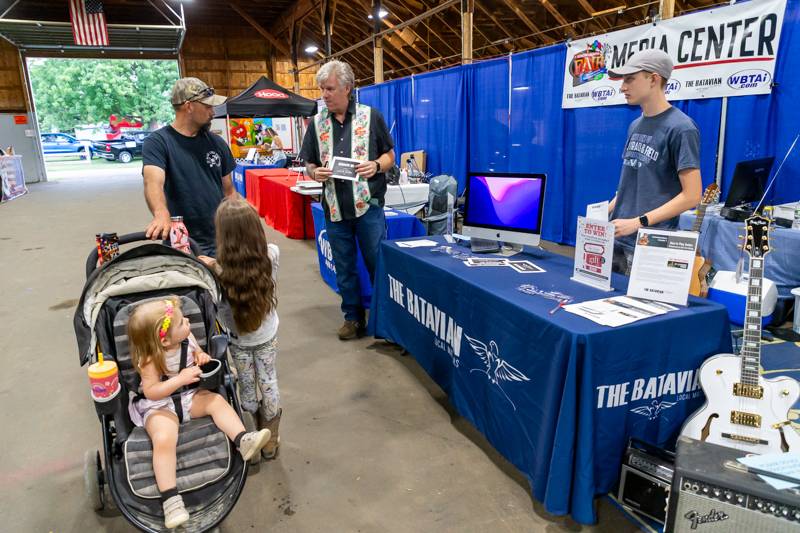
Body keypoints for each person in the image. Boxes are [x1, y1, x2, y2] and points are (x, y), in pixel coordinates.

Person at [127, 297, 270, 529]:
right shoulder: (149, 359)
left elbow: (198, 353)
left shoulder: (187, 338)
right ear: (163, 340)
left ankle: (243, 440)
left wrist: (201, 356)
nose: (188, 322)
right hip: (159, 406)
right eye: (182, 323)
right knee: (164, 438)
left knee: (216, 401)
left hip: (188, 397)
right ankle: (171, 501)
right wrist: (180, 379)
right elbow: (152, 391)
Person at [299, 60, 396, 340]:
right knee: (344, 267)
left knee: (377, 263)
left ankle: (385, 320)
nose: (324, 95)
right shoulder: (317, 125)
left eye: (329, 89)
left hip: (368, 208)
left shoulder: (371, 116)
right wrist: (315, 171)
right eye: (321, 89)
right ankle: (353, 318)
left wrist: (376, 165)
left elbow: (390, 155)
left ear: (347, 88)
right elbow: (309, 163)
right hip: (334, 208)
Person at [199, 198, 282, 460]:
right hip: (267, 336)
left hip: (238, 341)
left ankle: (251, 441)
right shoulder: (272, 254)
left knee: (246, 387)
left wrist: (211, 264)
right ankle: (272, 440)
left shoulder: (218, 271)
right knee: (269, 382)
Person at [607, 49, 702, 274]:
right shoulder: (635, 125)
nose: (623, 87)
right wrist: (605, 211)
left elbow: (692, 195)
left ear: (653, 79)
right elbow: (633, 180)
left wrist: (639, 221)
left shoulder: (682, 128)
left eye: (630, 79)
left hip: (651, 244)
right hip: (619, 239)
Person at [142, 77, 237, 257]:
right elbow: (153, 182)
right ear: (189, 106)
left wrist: (239, 224)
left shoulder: (217, 143)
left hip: (220, 239)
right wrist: (161, 213)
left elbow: (229, 191)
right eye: (208, 106)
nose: (213, 112)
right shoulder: (159, 142)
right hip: (181, 241)